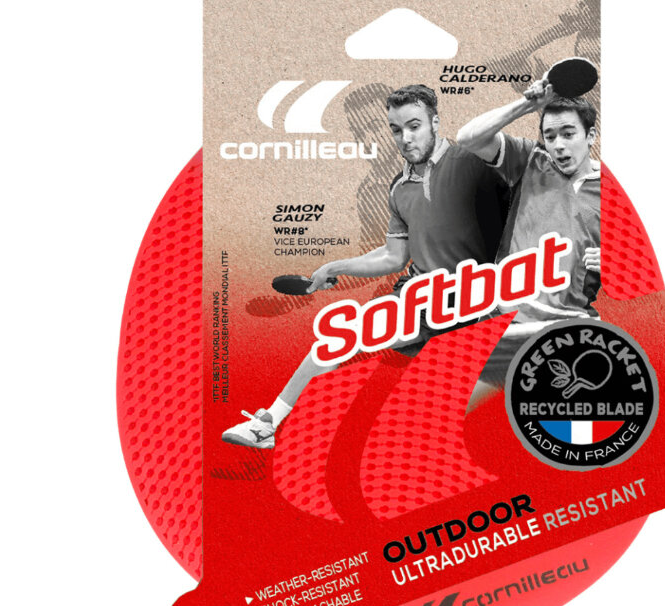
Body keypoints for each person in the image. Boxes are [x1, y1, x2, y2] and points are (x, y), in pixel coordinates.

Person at [222, 84, 508, 448]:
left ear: (435, 122)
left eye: (414, 126)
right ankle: (267, 424)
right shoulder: (399, 187)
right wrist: (336, 266)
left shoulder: (474, 164)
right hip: (420, 300)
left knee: (430, 423)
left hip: (476, 304)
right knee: (337, 340)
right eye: (396, 129)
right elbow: (394, 256)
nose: (405, 138)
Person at [454, 81, 602, 400]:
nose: (558, 145)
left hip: (569, 332)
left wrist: (617, 263)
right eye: (550, 136)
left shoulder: (615, 193)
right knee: (439, 416)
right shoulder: (530, 160)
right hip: (504, 325)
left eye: (568, 134)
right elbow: (467, 138)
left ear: (591, 135)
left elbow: (643, 273)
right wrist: (526, 105)